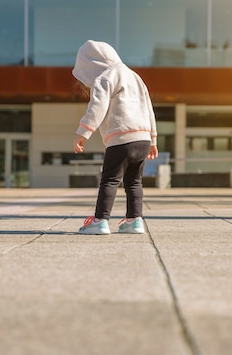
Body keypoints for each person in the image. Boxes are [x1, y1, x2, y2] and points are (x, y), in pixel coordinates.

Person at [72, 40, 158, 235]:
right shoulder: (135, 76)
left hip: (121, 139)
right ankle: (135, 221)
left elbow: (97, 108)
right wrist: (153, 140)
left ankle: (100, 220)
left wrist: (83, 133)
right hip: (143, 139)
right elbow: (148, 109)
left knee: (109, 180)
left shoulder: (104, 78)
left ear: (90, 65)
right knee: (134, 182)